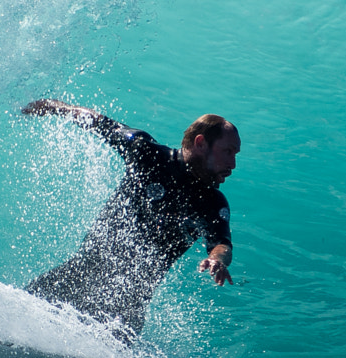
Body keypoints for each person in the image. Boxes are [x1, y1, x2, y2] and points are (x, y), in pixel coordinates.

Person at [18, 99, 240, 342]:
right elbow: (100, 123)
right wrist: (50, 106)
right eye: (227, 151)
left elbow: (221, 243)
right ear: (200, 143)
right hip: (76, 278)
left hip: (125, 309)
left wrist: (216, 259)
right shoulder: (148, 154)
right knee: (16, 317)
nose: (233, 164)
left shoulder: (212, 204)